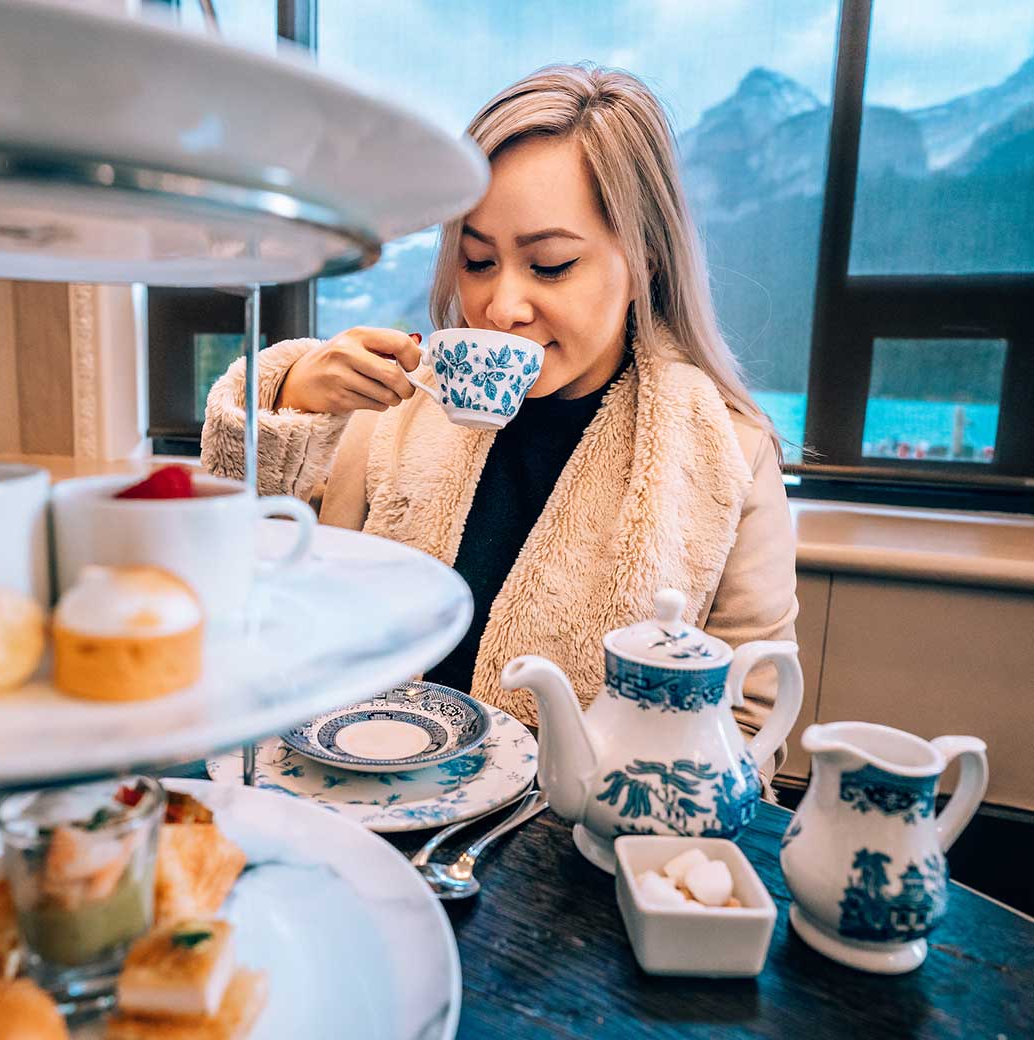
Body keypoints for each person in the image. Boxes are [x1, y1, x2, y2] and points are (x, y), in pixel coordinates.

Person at [201, 63, 798, 769]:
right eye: (478, 261)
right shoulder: (390, 411)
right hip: (365, 810)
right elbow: (244, 589)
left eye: (549, 266)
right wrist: (286, 400)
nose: (501, 307)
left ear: (644, 263)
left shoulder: (724, 453)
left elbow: (751, 715)